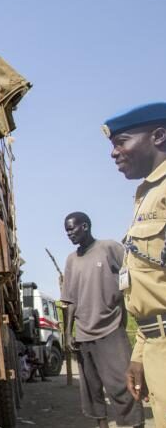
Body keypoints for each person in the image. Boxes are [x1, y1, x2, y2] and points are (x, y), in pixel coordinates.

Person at [103, 103, 166, 427]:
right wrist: (140, 356)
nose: (114, 152)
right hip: (155, 345)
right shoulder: (146, 196)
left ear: (158, 136)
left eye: (122, 141)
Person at [61, 212, 144, 428]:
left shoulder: (109, 248)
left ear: (85, 226)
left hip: (111, 329)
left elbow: (131, 275)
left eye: (72, 228)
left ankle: (135, 424)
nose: (69, 234)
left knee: (122, 384)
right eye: (66, 230)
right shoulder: (71, 260)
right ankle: (102, 425)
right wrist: (68, 333)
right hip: (84, 334)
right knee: (91, 388)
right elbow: (69, 301)